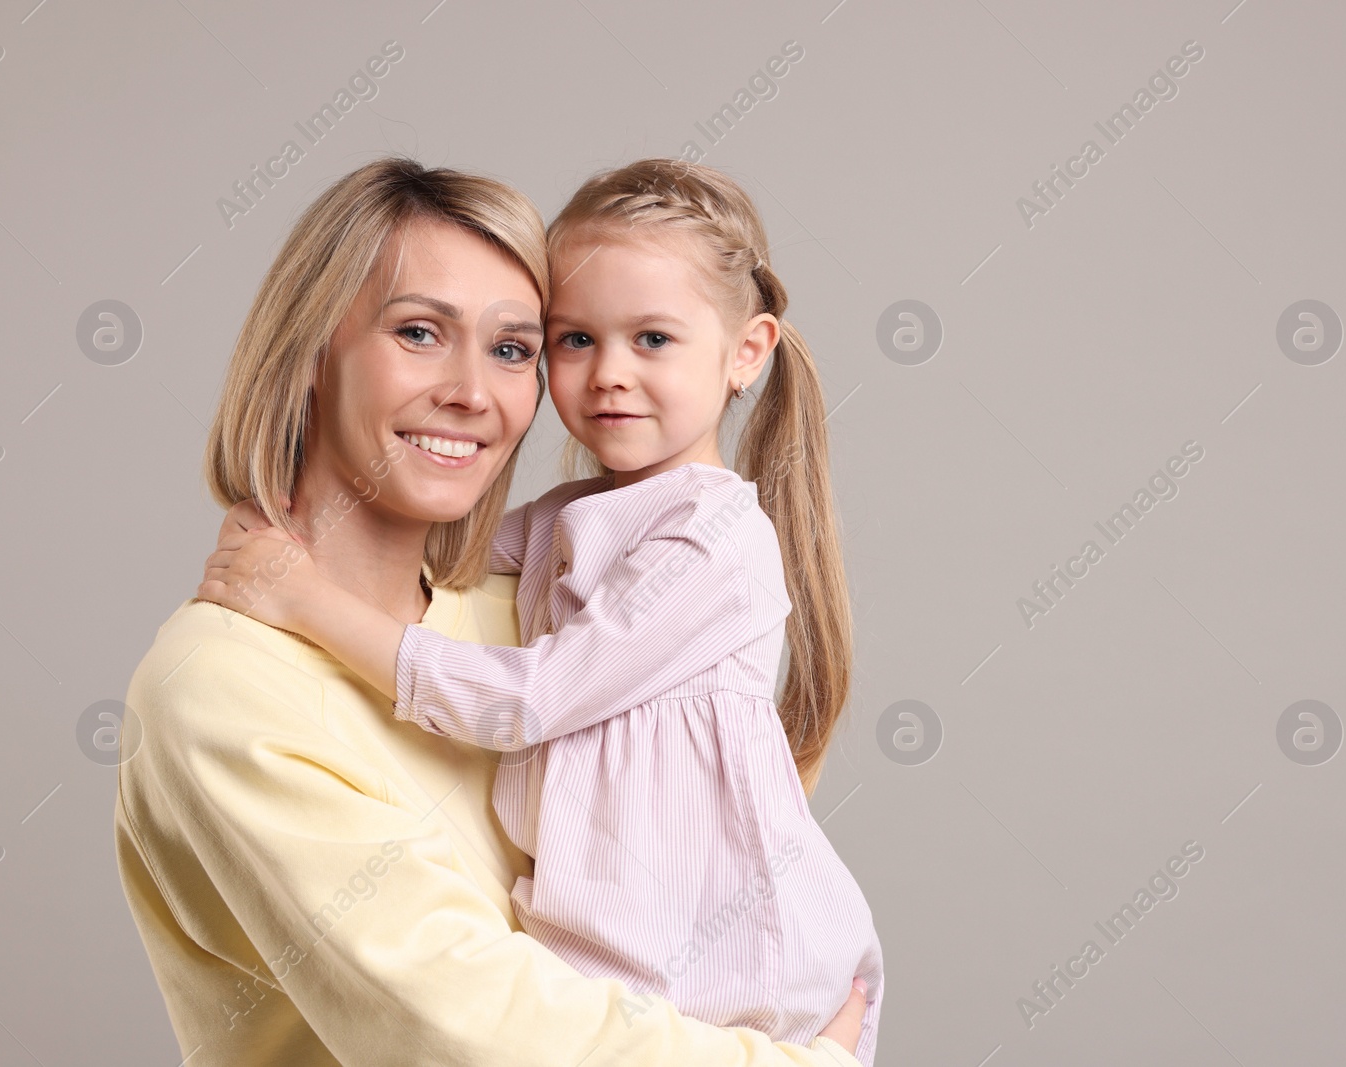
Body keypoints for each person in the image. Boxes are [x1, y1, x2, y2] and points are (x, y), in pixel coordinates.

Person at [115, 157, 870, 1065]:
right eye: (420, 332)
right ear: (309, 351)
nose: (473, 391)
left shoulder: (536, 608)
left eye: (512, 347)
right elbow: (470, 1030)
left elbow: (706, 837)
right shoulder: (222, 685)